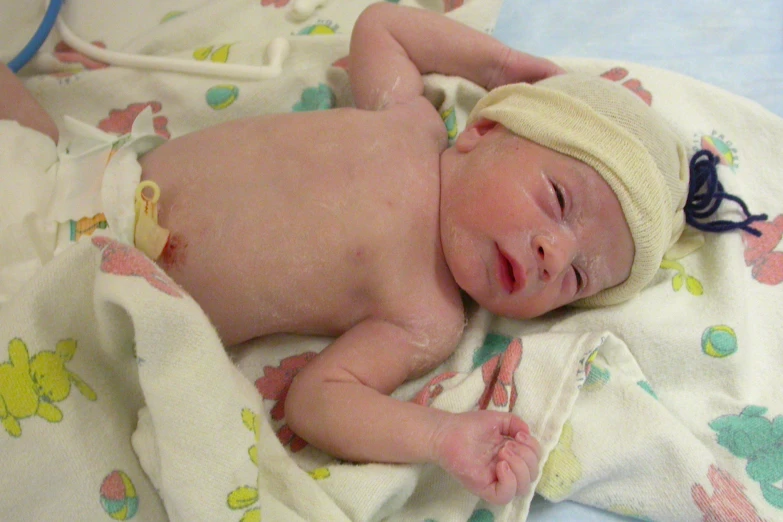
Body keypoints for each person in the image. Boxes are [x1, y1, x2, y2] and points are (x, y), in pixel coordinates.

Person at [1, 2, 764, 506]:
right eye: (557, 201)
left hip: (70, 290)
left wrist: (441, 438)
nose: (547, 250)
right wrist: (493, 65)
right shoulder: (408, 118)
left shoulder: (423, 316)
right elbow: (379, 27)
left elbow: (319, 400)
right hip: (69, 172)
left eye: (571, 278)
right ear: (486, 130)